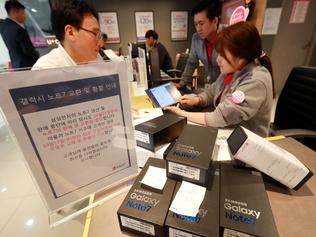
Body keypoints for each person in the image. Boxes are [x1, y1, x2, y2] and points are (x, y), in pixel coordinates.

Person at [165, 21, 274, 137]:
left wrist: (182, 113)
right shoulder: (234, 69)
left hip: (245, 144)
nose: (218, 60)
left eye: (223, 55)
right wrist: (198, 100)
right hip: (227, 132)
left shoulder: (255, 80)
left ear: (241, 57)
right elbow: (212, 91)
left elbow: (220, 117)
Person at [32, 0, 103, 69]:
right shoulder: (46, 69)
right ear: (70, 32)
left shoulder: (98, 60)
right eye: (95, 34)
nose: (101, 44)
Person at [175, 0, 221, 90]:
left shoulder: (229, 36)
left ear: (215, 21)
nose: (198, 29)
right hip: (209, 88)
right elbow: (191, 63)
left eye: (201, 23)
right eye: (196, 24)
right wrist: (181, 84)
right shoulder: (196, 38)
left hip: (227, 91)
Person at [0, 0, 39, 69]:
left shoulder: (3, 26)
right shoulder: (19, 30)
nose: (25, 17)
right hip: (27, 66)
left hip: (16, 65)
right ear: (13, 12)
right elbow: (28, 51)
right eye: (22, 13)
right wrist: (39, 57)